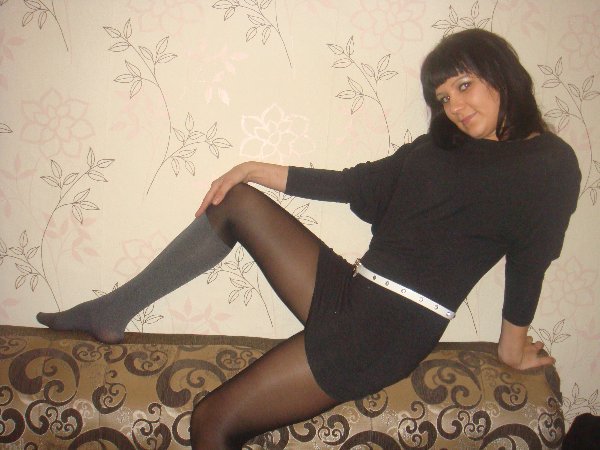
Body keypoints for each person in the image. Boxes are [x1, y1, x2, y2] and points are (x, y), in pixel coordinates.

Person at [36, 29, 581, 449]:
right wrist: (251, 167)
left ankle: (110, 313)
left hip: (388, 328)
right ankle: (113, 310)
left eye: (463, 85)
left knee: (212, 421)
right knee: (238, 200)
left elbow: (531, 259)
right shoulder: (437, 149)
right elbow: (350, 184)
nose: (454, 107)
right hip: (355, 291)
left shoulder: (548, 163)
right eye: (442, 97)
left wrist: (511, 347)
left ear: (500, 73)